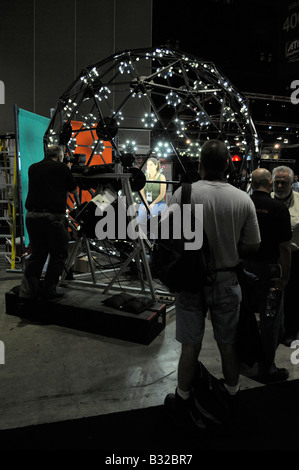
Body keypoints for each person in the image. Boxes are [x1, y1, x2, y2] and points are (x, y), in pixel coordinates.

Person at [164, 140, 261, 427]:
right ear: (228, 166)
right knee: (228, 343)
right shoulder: (243, 199)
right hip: (227, 279)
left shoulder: (183, 194)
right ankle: (232, 396)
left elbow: (168, 238)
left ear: (200, 165)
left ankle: (182, 399)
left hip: (191, 281)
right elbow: (254, 244)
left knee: (190, 346)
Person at [242, 168, 292, 383]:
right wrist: (285, 278)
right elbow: (285, 248)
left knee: (243, 317)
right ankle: (267, 368)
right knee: (270, 321)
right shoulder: (279, 208)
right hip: (270, 270)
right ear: (270, 183)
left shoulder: (243, 203)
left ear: (252, 184)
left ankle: (245, 359)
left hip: (244, 268)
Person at [19, 145, 77, 300]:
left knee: (37, 255)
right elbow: (73, 189)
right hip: (53, 218)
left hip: (32, 217)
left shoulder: (33, 168)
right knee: (59, 254)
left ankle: (27, 293)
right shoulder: (61, 167)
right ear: (59, 156)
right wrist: (68, 170)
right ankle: (49, 290)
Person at [272, 165, 299, 346]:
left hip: (295, 257)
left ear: (292, 183)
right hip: (271, 256)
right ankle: (272, 329)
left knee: (293, 297)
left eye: (284, 183)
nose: (280, 186)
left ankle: (290, 331)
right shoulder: (266, 201)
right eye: (277, 182)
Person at [137, 157, 167, 239]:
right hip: (146, 201)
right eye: (147, 165)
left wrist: (153, 204)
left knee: (152, 214)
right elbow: (141, 191)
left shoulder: (161, 177)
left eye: (151, 165)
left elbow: (162, 193)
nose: (148, 167)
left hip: (159, 202)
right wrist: (146, 204)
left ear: (156, 166)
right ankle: (143, 238)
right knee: (141, 215)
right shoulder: (145, 176)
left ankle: (153, 238)